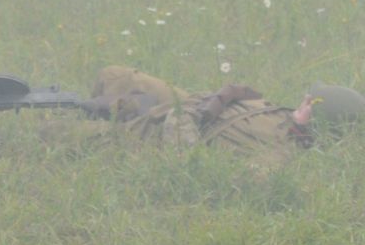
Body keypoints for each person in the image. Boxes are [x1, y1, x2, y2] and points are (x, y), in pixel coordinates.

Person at [87, 69, 363, 167]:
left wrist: (181, 126)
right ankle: (99, 112)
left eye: (311, 102)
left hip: (166, 130)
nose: (304, 98)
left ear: (318, 121)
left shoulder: (280, 153)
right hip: (189, 103)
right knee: (114, 75)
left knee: (55, 134)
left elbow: (208, 175)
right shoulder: (282, 113)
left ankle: (96, 124)